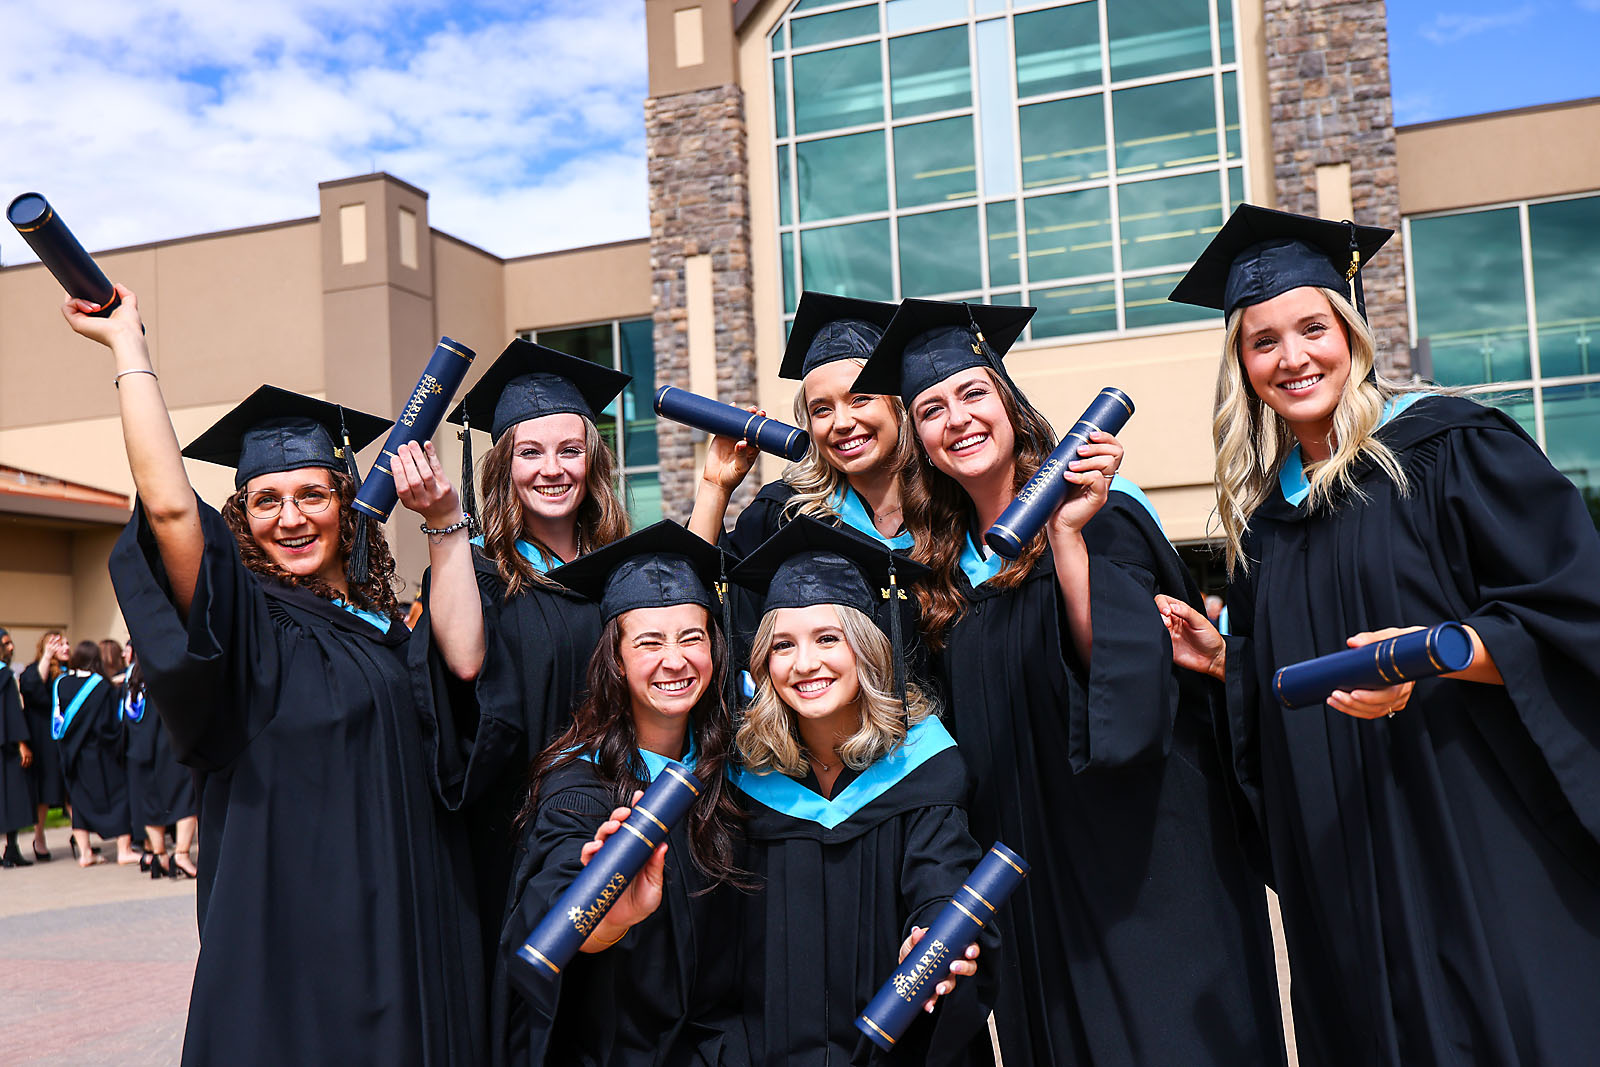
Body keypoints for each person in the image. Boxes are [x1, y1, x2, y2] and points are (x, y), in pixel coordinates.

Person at [1156, 203, 1600, 1066]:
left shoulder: (1450, 449)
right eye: (1262, 341)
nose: (1292, 358)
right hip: (1345, 862)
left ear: (1351, 332)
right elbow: (1289, 680)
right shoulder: (1267, 522)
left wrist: (1433, 656)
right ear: (1241, 364)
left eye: (1312, 328)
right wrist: (1229, 660)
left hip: (1467, 824)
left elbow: (1572, 608)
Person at [850, 298, 1286, 1065]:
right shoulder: (940, 579)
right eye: (931, 409)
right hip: (1032, 889)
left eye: (973, 393)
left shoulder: (1103, 515)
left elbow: (1121, 669)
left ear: (1011, 405)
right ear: (919, 442)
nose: (957, 418)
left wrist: (1065, 537)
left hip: (1145, 871)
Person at [75, 285, 483, 1065]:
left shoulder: (384, 628)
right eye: (266, 500)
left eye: (311, 494)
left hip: (398, 929)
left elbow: (463, 666)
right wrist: (129, 348)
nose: (290, 517)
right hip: (292, 940)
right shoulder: (245, 623)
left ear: (346, 502)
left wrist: (443, 521)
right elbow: (169, 511)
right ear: (241, 516)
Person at [406, 338, 633, 978]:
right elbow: (464, 662)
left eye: (569, 450)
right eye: (529, 452)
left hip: (621, 815)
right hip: (517, 831)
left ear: (593, 461)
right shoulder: (478, 570)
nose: (551, 469)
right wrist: (446, 524)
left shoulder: (619, 568)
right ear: (504, 465)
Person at [727, 516, 991, 1066]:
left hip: (897, 1049)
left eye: (828, 639)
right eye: (783, 645)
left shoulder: (922, 765)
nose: (805, 664)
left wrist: (935, 928)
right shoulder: (745, 780)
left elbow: (942, 874)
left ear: (869, 649)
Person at [494, 521, 747, 1066]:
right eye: (649, 642)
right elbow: (556, 906)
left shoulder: (737, 771)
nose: (675, 660)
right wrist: (609, 917)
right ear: (615, 658)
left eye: (692, 637)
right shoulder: (580, 789)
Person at [52, 639, 138, 867]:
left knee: (78, 801)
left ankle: (85, 853)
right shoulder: (100, 687)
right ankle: (124, 850)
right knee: (120, 796)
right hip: (100, 754)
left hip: (73, 755)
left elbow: (58, 723)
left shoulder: (61, 683)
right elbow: (109, 725)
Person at [121, 646, 198, 879]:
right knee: (187, 798)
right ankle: (181, 855)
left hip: (138, 750)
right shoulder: (166, 671)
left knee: (150, 804)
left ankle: (159, 855)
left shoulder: (132, 678)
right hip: (167, 747)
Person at [18, 631, 70, 860]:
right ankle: (39, 838)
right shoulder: (32, 671)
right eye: (57, 644)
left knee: (72, 790)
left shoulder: (71, 671)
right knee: (45, 792)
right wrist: (47, 658)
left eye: (66, 643)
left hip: (67, 739)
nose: (65, 647)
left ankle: (81, 839)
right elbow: (32, 691)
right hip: (43, 739)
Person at [0, 630, 34, 868]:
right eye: (5, 644)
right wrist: (23, 743)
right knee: (11, 797)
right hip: (7, 747)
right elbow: (12, 711)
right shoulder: (4, 675)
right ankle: (11, 849)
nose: (11, 648)